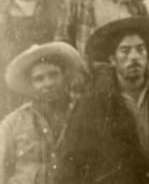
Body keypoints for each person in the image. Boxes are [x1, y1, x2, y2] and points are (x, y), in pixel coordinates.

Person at [55, 17, 149, 184]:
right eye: (125, 51)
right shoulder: (92, 105)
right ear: (112, 60)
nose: (134, 57)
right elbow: (72, 163)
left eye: (140, 49)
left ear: (148, 56)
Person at [0, 0, 69, 117]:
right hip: (12, 94)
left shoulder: (57, 2)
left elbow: (64, 47)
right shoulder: (2, 10)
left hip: (53, 87)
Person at [0, 42, 85, 184]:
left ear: (64, 76)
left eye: (53, 75)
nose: (48, 83)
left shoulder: (83, 114)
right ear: (30, 85)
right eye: (39, 79)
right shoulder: (12, 124)